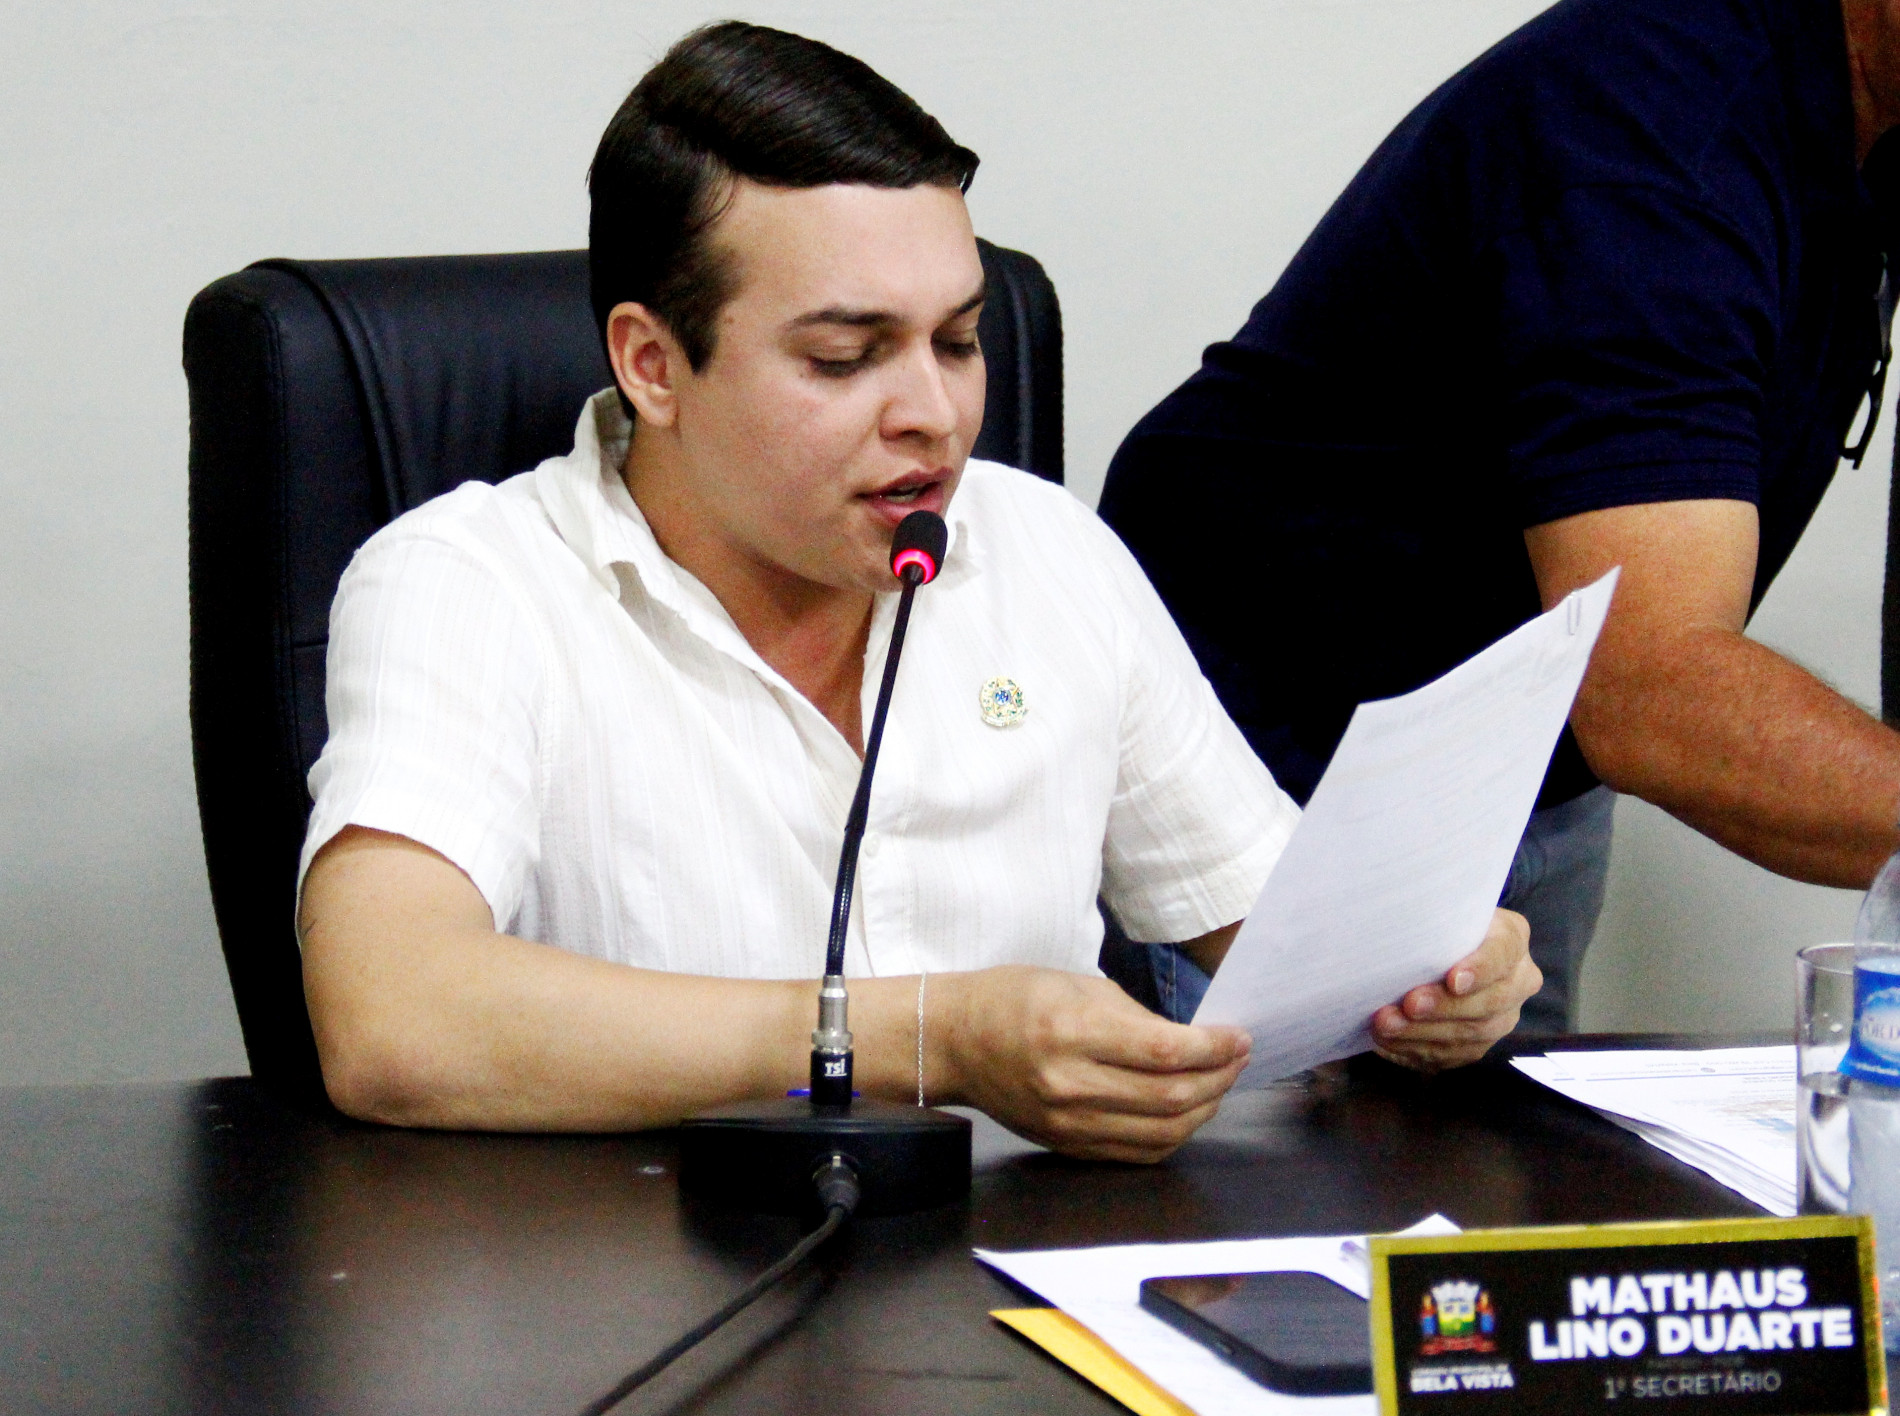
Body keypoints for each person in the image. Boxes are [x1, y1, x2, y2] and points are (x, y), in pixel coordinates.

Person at [295, 22, 1538, 1164]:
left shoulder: (1043, 550)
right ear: (653, 364)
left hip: (1027, 1282)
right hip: (657, 1286)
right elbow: (391, 1017)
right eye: (846, 357)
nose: (934, 416)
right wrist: (930, 1038)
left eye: (957, 340)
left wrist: (1429, 978)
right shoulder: (471, 583)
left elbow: (1284, 932)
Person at [1100, 0, 1900, 1033]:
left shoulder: (1855, 112)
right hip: (1274, 765)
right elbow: (1654, 692)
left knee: (1504, 1132)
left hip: (1508, 754)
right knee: (1291, 1144)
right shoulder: (1651, 142)